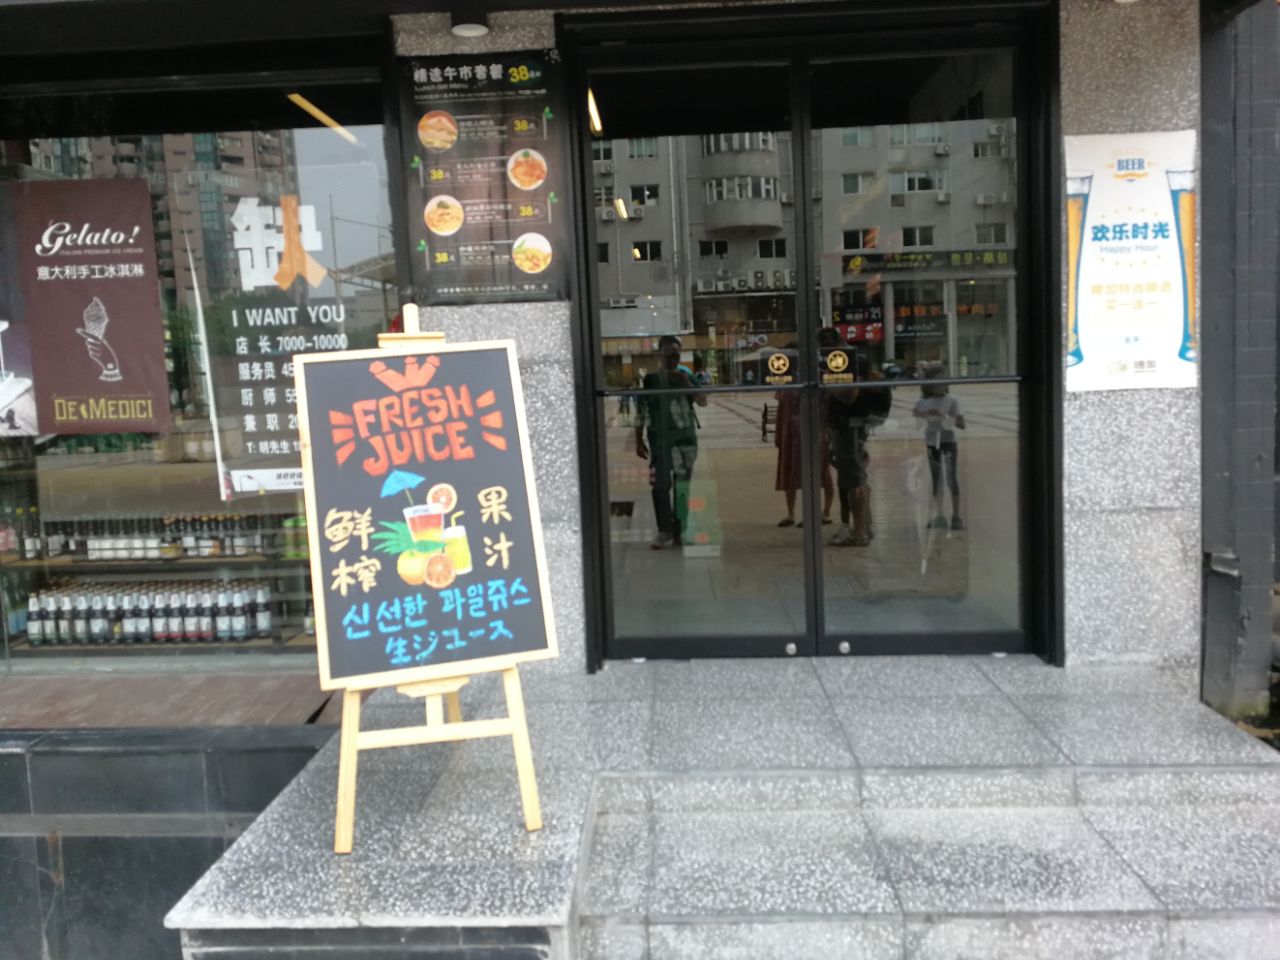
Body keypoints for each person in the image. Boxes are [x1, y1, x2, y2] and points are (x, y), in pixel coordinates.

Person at [635, 335, 707, 550]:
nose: (673, 360)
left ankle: (680, 531)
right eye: (669, 356)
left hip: (685, 439)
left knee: (682, 486)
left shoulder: (686, 376)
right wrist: (638, 439)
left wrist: (686, 383)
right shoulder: (651, 380)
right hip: (660, 440)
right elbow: (641, 410)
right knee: (660, 485)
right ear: (660, 355)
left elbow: (703, 401)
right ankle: (664, 530)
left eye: (676, 356)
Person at [773, 344, 833, 527]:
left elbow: (828, 407)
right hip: (791, 433)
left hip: (816, 432)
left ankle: (824, 512)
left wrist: (828, 431)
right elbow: (782, 408)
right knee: (790, 471)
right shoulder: (786, 380)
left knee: (820, 472)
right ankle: (790, 513)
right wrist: (779, 434)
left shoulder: (821, 378)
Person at [913, 377, 965, 530]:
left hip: (948, 441)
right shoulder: (924, 402)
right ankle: (940, 515)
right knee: (937, 479)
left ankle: (956, 515)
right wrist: (924, 413)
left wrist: (944, 417)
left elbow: (961, 424)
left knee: (951, 478)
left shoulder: (952, 400)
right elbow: (917, 416)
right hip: (932, 443)